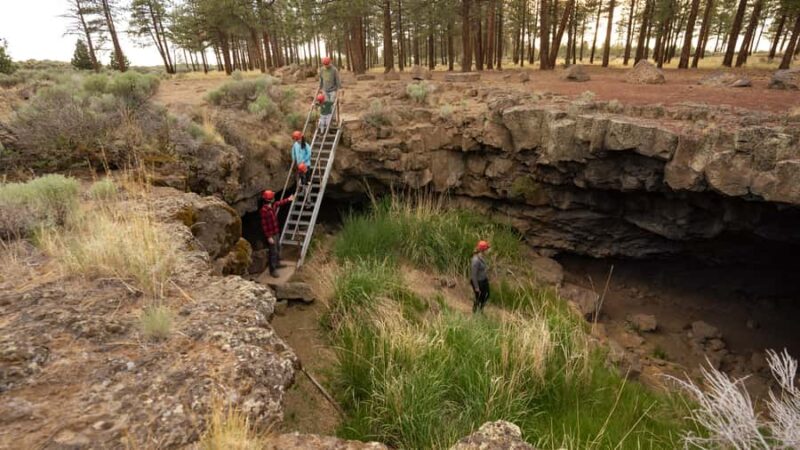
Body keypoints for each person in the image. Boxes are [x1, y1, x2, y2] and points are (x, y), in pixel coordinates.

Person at [260, 190, 293, 277]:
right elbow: (264, 225)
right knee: (273, 252)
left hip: (276, 232)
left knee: (277, 248)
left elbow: (279, 203)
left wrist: (288, 199)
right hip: (271, 235)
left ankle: (277, 263)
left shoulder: (272, 205)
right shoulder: (264, 210)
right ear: (270, 199)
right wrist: (268, 237)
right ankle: (272, 270)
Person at [471, 240, 491, 313]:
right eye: (487, 249)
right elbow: (473, 275)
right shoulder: (475, 260)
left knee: (487, 295)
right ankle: (475, 311)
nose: (488, 251)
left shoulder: (482, 257)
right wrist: (476, 287)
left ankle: (480, 309)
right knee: (478, 297)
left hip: (484, 280)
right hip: (478, 282)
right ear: (483, 250)